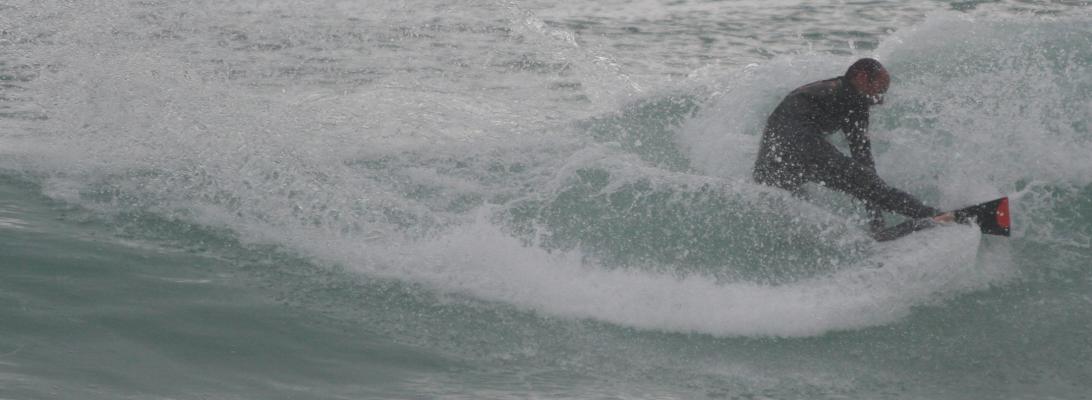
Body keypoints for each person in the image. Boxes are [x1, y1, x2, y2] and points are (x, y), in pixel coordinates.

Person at [752, 58, 953, 231]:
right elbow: (864, 170)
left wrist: (876, 220)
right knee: (866, 183)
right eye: (880, 91)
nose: (880, 100)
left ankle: (880, 230)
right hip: (797, 146)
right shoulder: (849, 99)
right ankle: (935, 216)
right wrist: (875, 207)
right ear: (862, 78)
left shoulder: (842, 95)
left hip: (772, 161)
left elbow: (863, 162)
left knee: (860, 183)